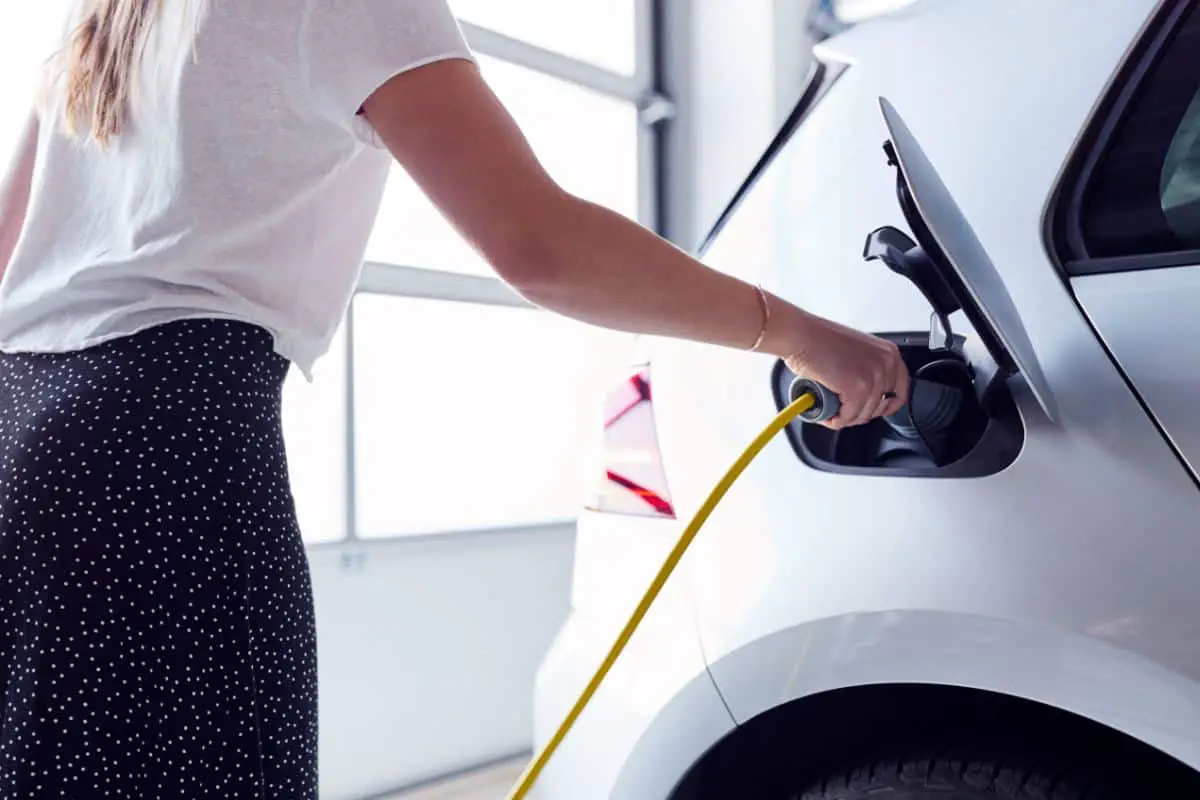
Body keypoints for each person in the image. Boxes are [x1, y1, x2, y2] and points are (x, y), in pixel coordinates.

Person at [0, 0, 909, 797]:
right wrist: (797, 332)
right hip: (158, 446)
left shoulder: (109, 11)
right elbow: (540, 245)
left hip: (21, 426)